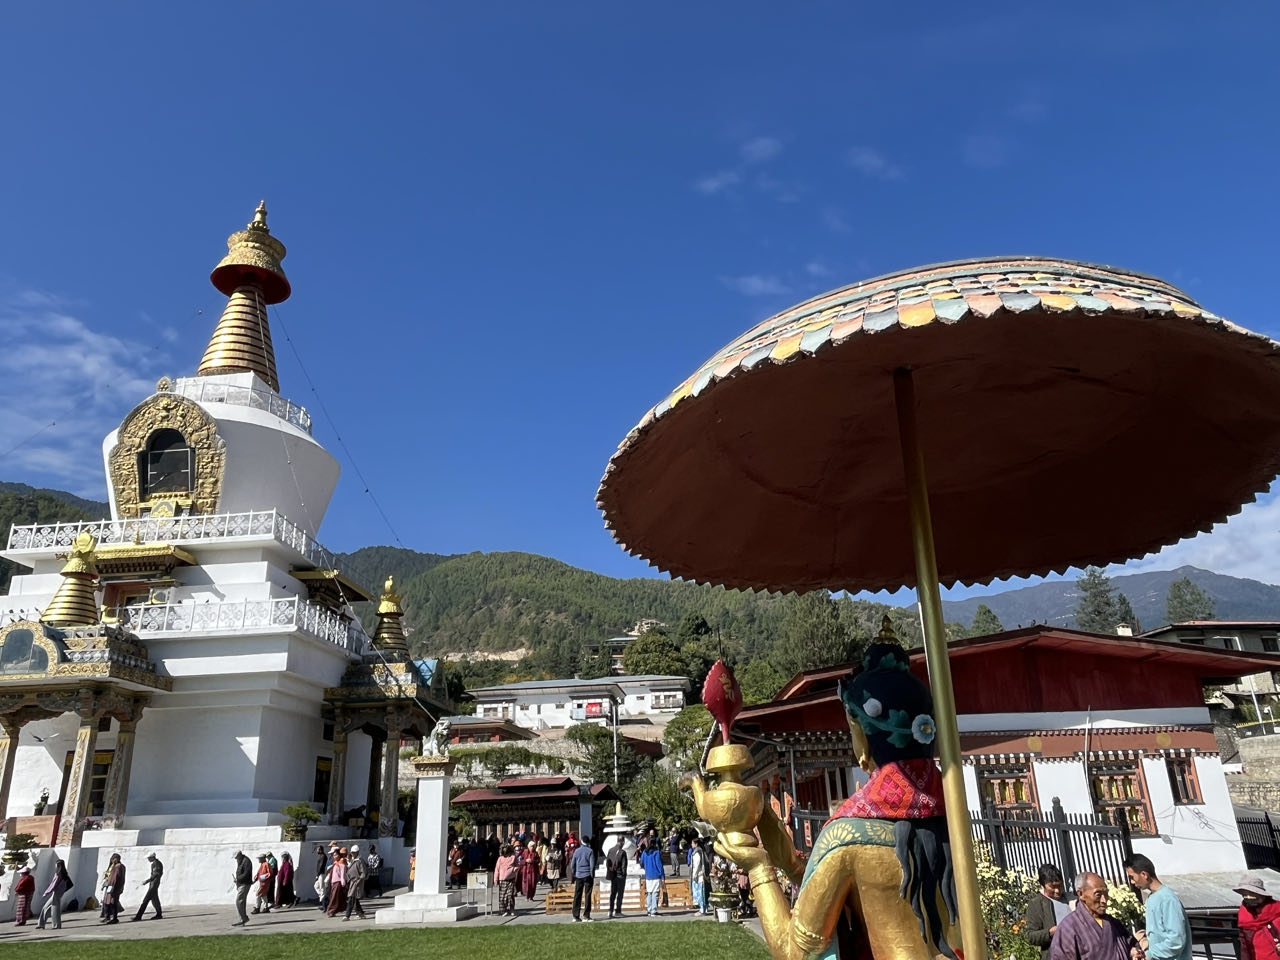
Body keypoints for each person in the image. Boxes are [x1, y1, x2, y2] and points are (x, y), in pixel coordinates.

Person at [1050, 872, 1145, 960]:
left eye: (1106, 894)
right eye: (1098, 894)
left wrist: (1133, 952)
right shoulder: (1068, 929)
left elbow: (1130, 943)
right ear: (1081, 894)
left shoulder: (1114, 923)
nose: (1104, 900)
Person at [1126, 854, 1191, 960]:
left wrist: (1149, 954)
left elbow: (1176, 941)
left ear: (1144, 874)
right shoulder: (1152, 898)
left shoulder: (1168, 899)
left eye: (1132, 877)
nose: (1132, 882)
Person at [1026, 863, 1070, 960]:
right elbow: (1031, 936)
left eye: (1060, 885)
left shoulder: (1071, 899)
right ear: (1043, 885)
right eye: (1052, 887)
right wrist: (1050, 932)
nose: (1057, 890)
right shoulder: (1036, 904)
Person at [1235, 876, 1280, 960]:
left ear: (1262, 895)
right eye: (1245, 894)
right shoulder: (1244, 916)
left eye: (1252, 893)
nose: (1248, 897)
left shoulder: (1277, 910)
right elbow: (1245, 947)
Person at [39, 859, 74, 930]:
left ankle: (55, 925)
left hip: (57, 894)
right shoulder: (63, 874)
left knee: (54, 909)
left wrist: (46, 892)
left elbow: (53, 885)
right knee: (47, 908)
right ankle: (42, 924)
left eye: (57, 865)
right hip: (58, 893)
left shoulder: (59, 874)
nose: (56, 867)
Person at [570, 834, 596, 923]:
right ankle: (586, 916)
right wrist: (592, 875)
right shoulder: (590, 851)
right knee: (587, 895)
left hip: (578, 875)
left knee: (577, 895)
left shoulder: (576, 851)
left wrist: (574, 873)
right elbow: (592, 865)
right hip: (587, 875)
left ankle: (575, 916)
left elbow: (572, 864)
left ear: (581, 841)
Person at [133, 852, 164, 921]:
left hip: (154, 885)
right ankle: (159, 914)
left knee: (145, 901)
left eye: (149, 858)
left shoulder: (156, 864)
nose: (148, 859)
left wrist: (147, 881)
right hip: (154, 884)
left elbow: (156, 874)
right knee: (155, 900)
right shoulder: (156, 863)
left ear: (152, 857)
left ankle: (138, 916)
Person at [639, 836, 665, 916]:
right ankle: (654, 910)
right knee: (655, 893)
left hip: (648, 875)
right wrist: (662, 876)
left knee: (649, 893)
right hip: (656, 875)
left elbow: (641, 862)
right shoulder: (656, 852)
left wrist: (646, 867)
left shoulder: (644, 852)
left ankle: (649, 909)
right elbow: (659, 864)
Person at [606, 834, 628, 918]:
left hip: (613, 875)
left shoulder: (610, 850)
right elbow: (624, 866)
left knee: (613, 893)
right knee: (620, 894)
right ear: (623, 842)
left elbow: (607, 862)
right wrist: (624, 875)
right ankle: (618, 911)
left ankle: (610, 910)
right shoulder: (622, 852)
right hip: (620, 875)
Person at [344, 843, 367, 920]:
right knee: (355, 899)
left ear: (357, 852)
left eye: (354, 852)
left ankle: (347, 915)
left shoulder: (360, 861)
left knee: (351, 898)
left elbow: (363, 873)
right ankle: (361, 914)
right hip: (352, 882)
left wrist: (358, 881)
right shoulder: (353, 860)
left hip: (357, 882)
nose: (352, 854)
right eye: (352, 852)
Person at [495, 843, 519, 916]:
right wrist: (495, 879)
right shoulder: (500, 859)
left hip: (511, 879)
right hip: (502, 880)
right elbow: (497, 869)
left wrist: (514, 869)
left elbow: (517, 866)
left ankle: (511, 909)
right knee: (502, 897)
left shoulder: (513, 857)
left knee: (510, 895)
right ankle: (503, 910)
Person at [102, 852, 125, 924]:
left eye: (114, 859)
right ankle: (107, 917)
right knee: (107, 902)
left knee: (113, 902)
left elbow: (115, 878)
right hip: (111, 886)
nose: (112, 860)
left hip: (114, 887)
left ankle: (114, 918)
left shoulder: (119, 866)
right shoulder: (115, 866)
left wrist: (110, 884)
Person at [689, 837, 709, 916]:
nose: (691, 844)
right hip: (700, 875)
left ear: (696, 844)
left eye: (692, 843)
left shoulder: (697, 852)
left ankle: (702, 909)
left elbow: (697, 864)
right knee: (701, 892)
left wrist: (694, 874)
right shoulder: (700, 851)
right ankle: (704, 908)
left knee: (700, 892)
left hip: (699, 875)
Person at [232, 851, 253, 926]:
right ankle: (242, 919)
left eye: (236, 857)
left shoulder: (246, 861)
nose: (236, 859)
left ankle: (243, 919)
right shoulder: (241, 860)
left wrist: (238, 879)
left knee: (239, 900)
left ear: (240, 855)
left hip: (245, 883)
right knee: (240, 901)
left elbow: (246, 873)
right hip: (241, 883)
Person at [326, 848, 348, 917]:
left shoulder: (341, 863)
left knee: (334, 898)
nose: (334, 856)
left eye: (336, 855)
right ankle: (335, 910)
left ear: (339, 855)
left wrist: (343, 882)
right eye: (333, 855)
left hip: (338, 882)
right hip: (334, 882)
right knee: (336, 898)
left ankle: (331, 911)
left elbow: (342, 874)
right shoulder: (335, 863)